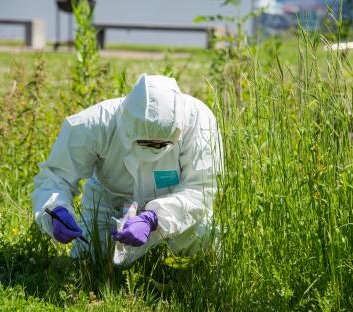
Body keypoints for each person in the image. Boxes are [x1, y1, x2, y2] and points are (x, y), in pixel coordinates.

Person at [31, 74, 223, 266]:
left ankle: (183, 276)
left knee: (206, 234)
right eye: (144, 142)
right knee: (89, 260)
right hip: (108, 204)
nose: (151, 149)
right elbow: (55, 178)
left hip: (174, 205)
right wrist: (56, 211)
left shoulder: (199, 121)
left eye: (160, 145)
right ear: (126, 123)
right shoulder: (94, 123)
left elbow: (201, 189)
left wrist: (154, 218)